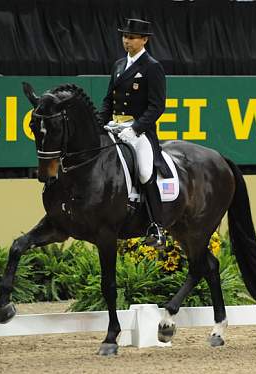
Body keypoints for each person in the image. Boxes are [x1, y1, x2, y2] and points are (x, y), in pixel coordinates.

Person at [100, 18, 172, 248]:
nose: (127, 41)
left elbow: (157, 106)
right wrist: (102, 122)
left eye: (132, 38)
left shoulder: (152, 67)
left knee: (144, 171)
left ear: (144, 40)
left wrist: (136, 128)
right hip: (115, 127)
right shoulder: (119, 65)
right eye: (125, 37)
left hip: (139, 132)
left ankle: (157, 226)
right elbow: (108, 99)